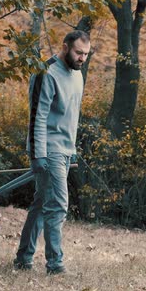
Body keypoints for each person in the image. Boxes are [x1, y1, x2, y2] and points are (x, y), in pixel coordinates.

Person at [14, 30, 90, 275]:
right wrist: (37, 155)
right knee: (57, 205)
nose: (82, 58)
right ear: (65, 46)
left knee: (40, 204)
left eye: (86, 54)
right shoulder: (46, 72)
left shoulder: (77, 75)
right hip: (48, 150)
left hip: (65, 150)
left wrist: (72, 150)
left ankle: (23, 258)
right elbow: (38, 116)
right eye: (78, 52)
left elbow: (70, 116)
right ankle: (55, 265)